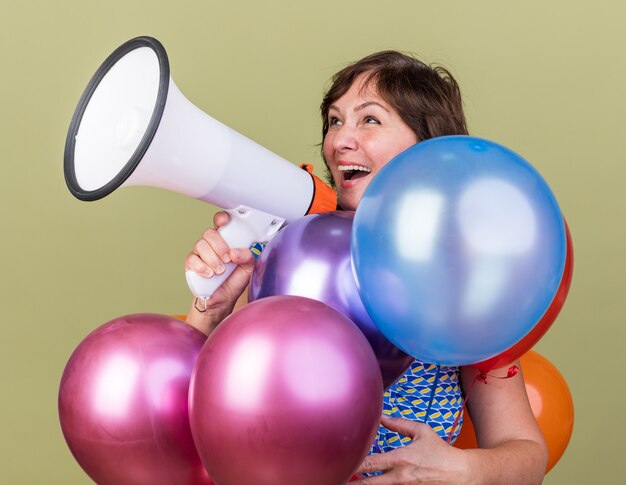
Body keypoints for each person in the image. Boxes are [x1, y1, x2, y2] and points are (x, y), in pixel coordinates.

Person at [184, 51, 548, 484]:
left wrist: (459, 469)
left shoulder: (465, 283)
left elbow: (526, 455)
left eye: (369, 120)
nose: (340, 142)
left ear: (430, 148)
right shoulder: (284, 255)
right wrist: (208, 313)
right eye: (335, 121)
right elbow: (205, 424)